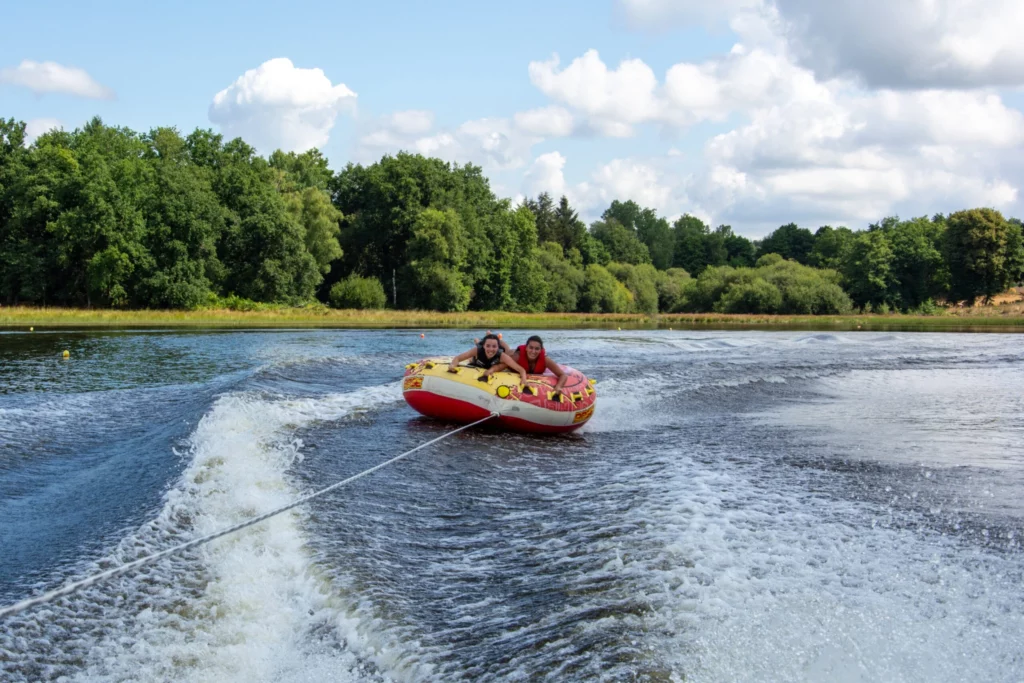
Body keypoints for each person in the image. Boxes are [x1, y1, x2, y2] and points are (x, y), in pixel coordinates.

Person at [474, 333, 569, 396]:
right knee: (506, 350)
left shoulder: (545, 360)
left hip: (514, 356)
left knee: (507, 348)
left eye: (537, 349)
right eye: (531, 348)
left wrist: (558, 387)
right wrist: (490, 371)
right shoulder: (517, 357)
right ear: (526, 348)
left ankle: (492, 336)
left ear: (541, 350)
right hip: (510, 354)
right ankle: (481, 341)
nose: (533, 351)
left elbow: (563, 375)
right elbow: (500, 366)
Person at [449, 333, 528, 385]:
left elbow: (521, 369)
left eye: (494, 346)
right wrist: (452, 365)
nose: (491, 349)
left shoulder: (502, 356)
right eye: (488, 346)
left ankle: (492, 337)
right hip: (476, 361)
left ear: (498, 347)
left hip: (492, 365)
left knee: (508, 350)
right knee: (474, 352)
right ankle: (477, 340)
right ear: (484, 346)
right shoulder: (478, 350)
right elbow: (457, 358)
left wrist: (524, 379)